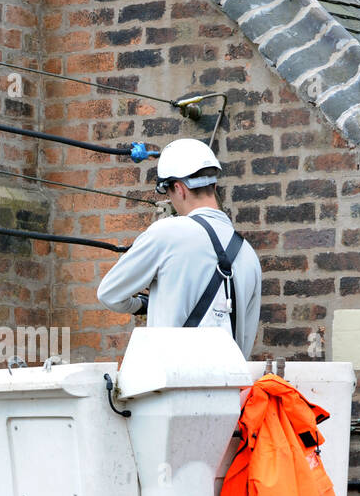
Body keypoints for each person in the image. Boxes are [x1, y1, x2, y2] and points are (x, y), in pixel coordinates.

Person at [97, 138, 261, 359]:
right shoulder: (248, 254)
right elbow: (246, 338)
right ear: (214, 185)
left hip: (171, 386)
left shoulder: (166, 233)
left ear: (179, 188)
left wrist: (141, 305)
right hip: (229, 386)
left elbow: (109, 294)